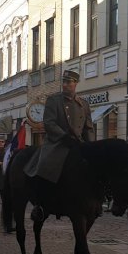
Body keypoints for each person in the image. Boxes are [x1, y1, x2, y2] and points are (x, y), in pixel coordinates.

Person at [24, 69, 95, 221]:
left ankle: (94, 200)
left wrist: (92, 148)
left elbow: (88, 128)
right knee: (45, 166)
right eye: (63, 81)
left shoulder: (83, 104)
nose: (65, 85)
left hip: (78, 145)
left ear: (76, 83)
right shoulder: (53, 100)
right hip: (57, 144)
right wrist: (63, 136)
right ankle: (40, 204)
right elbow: (49, 123)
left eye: (68, 82)